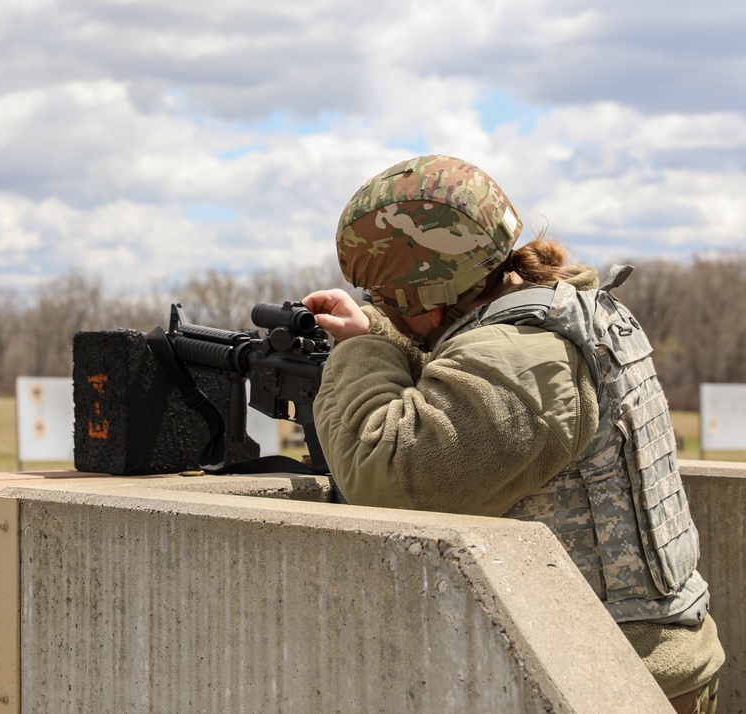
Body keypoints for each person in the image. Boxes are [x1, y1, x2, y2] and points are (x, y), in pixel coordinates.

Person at [303, 155, 724, 713]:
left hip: (608, 680)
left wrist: (363, 350)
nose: (379, 306)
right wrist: (383, 329)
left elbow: (386, 473)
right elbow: (463, 366)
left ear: (423, 296)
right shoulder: (554, 315)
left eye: (385, 295)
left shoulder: (528, 354)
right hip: (616, 665)